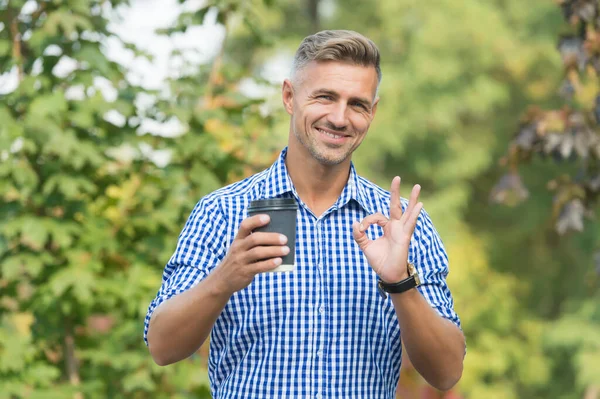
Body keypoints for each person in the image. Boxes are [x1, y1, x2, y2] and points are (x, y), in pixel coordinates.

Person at [144, 30, 466, 398]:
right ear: (289, 97)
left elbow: (446, 373)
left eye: (357, 104)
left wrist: (400, 284)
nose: (340, 118)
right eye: (325, 97)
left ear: (372, 112)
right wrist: (224, 279)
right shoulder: (223, 212)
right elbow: (162, 347)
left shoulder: (401, 226)